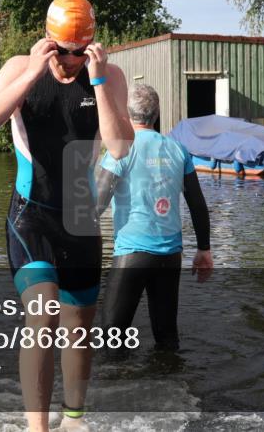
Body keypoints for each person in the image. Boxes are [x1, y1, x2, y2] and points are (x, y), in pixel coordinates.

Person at [0, 0, 134, 432]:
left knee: (78, 326)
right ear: (47, 39)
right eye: (63, 51)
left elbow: (120, 146)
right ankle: (37, 428)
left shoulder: (109, 76)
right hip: (32, 214)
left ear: (92, 45)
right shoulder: (17, 68)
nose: (70, 60)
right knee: (42, 313)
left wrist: (97, 83)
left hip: (80, 216)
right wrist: (28, 76)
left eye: (80, 52)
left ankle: (74, 421)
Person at [94, 83, 214, 352]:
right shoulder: (178, 149)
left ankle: (117, 390)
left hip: (132, 254)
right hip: (170, 256)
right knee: (167, 338)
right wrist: (204, 249)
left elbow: (94, 206)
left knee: (111, 342)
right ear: (156, 114)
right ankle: (172, 387)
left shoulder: (119, 150)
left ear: (126, 115)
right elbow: (197, 202)